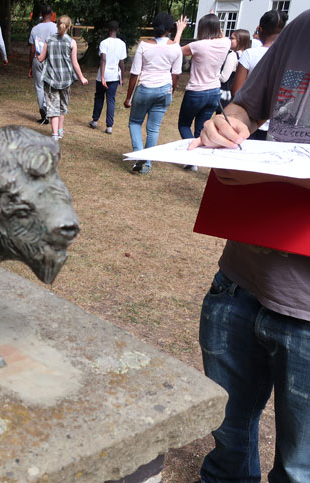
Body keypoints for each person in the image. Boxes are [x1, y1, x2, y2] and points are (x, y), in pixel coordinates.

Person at [188, 8, 310, 482]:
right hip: (239, 284)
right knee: (226, 437)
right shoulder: (301, 28)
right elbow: (246, 106)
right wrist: (227, 123)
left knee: (300, 469)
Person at [123, 13, 182, 174]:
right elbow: (176, 74)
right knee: (153, 128)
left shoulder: (144, 45)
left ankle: (139, 156)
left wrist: (128, 97)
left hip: (145, 88)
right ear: (170, 29)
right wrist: (171, 91)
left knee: (135, 122)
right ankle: (147, 163)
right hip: (165, 89)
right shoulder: (175, 48)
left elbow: (135, 73)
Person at [173, 13, 231, 172]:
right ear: (217, 28)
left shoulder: (198, 45)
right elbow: (222, 34)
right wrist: (214, 19)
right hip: (214, 92)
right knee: (200, 127)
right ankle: (195, 159)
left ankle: (193, 158)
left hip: (196, 92)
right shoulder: (225, 43)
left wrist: (180, 30)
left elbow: (175, 50)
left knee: (184, 124)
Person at [231, 9, 287, 140]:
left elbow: (236, 91)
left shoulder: (249, 54)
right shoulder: (289, 57)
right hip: (278, 123)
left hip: (250, 120)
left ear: (260, 30)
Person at [36, 15, 88, 141]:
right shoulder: (72, 42)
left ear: (56, 25)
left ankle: (54, 135)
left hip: (51, 79)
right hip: (66, 80)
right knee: (62, 107)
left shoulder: (49, 40)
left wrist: (38, 47)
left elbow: (41, 59)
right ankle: (60, 130)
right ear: (69, 26)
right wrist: (81, 78)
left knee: (53, 107)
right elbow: (75, 63)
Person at [89, 20, 127, 135]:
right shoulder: (121, 44)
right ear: (118, 30)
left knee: (99, 97)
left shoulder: (104, 43)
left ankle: (95, 121)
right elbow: (121, 63)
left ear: (108, 29)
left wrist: (102, 77)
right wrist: (123, 77)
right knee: (111, 99)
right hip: (114, 76)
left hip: (103, 75)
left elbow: (103, 59)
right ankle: (109, 126)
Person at [28, 4, 57, 125]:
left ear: (40, 13)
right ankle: (51, 111)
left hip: (38, 59)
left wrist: (30, 66)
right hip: (51, 60)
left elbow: (32, 49)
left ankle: (43, 109)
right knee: (50, 86)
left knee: (39, 86)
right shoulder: (56, 28)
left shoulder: (35, 29)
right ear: (52, 14)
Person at [217, 29, 251, 110]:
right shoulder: (247, 55)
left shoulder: (232, 55)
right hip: (239, 96)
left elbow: (223, 78)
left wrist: (213, 72)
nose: (229, 40)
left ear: (239, 41)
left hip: (225, 95)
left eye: (232, 38)